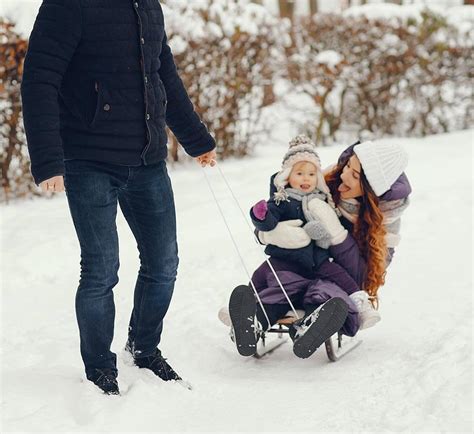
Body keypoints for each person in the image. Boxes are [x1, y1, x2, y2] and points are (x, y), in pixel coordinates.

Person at [21, 0, 216, 395]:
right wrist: (48, 161)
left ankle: (143, 349)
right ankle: (98, 368)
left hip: (147, 160)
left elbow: (165, 76)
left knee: (164, 263)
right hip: (88, 160)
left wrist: (196, 140)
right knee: (100, 270)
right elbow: (39, 78)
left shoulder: (148, 6)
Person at [226, 139, 410, 359]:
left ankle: (308, 328)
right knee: (282, 284)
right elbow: (280, 211)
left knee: (329, 296)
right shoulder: (321, 182)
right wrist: (269, 234)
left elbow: (363, 277)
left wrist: (336, 234)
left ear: (370, 189)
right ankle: (252, 322)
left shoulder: (386, 222)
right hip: (298, 266)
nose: (343, 175)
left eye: (354, 175)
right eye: (347, 166)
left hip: (335, 277)